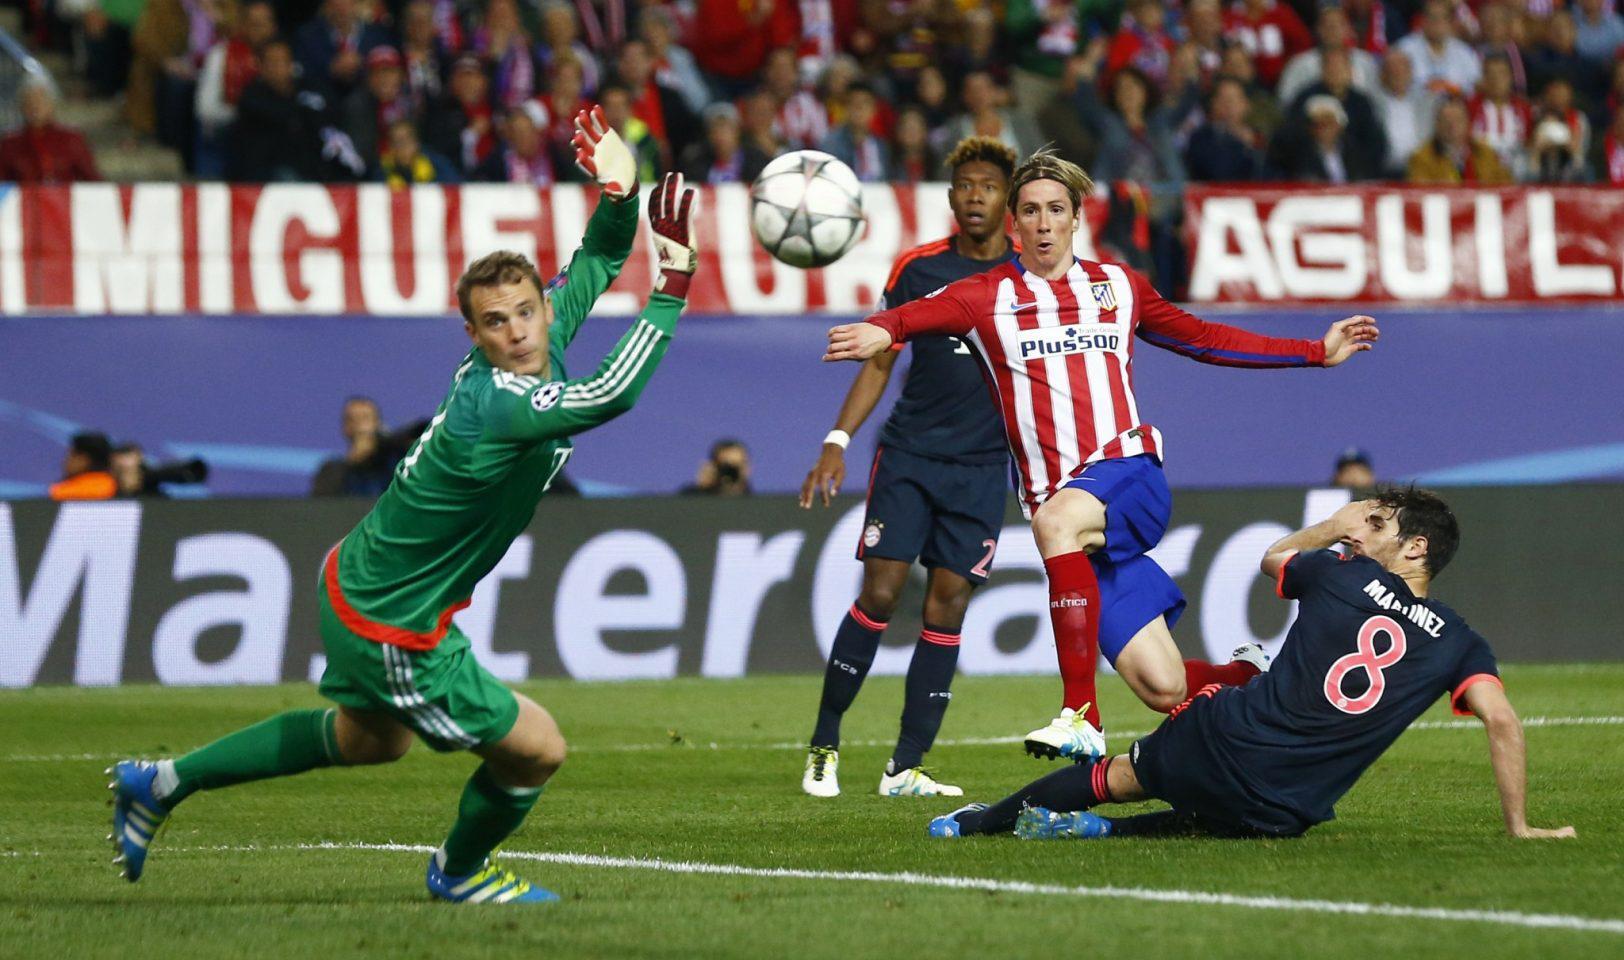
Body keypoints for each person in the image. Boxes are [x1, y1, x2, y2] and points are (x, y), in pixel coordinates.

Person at [107, 108, 700, 905]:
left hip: (359, 581)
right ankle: (457, 875)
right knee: (536, 749)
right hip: (392, 620)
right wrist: (672, 290)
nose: (519, 331)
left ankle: (160, 782)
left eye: (527, 311)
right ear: (473, 332)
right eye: (496, 322)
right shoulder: (494, 402)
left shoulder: (538, 338)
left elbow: (595, 255)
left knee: (367, 740)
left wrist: (621, 194)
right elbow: (607, 393)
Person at [823, 150, 1379, 764]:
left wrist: (1312, 351)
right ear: (1013, 224)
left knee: (1055, 523)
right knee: (1162, 686)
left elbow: (1205, 339)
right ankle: (1256, 678)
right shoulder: (982, 298)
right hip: (1073, 523)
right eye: (1030, 211)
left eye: (1055, 210)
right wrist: (884, 329)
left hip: (1128, 474)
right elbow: (911, 314)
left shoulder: (1118, 286)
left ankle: (1080, 715)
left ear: (1075, 219)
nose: (1042, 222)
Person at [928, 489, 1577, 844]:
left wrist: (1329, 525)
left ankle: (979, 822)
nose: (1360, 532)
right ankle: (1107, 834)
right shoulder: (1460, 641)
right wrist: (1518, 825)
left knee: (1116, 776)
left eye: (1376, 524)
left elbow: (1272, 559)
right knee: (1234, 816)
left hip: (1217, 743)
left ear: (1415, 546)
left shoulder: (1337, 573)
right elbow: (1501, 721)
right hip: (1284, 807)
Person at [798, 137, 1021, 800]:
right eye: (964, 186)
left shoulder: (1032, 278)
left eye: (987, 185)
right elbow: (880, 358)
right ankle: (824, 745)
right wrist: (837, 439)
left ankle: (907, 766)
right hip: (912, 457)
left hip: (984, 467)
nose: (975, 195)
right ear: (951, 197)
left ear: (1007, 198)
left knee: (947, 606)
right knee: (882, 594)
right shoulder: (921, 269)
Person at [0, 82, 101, 183]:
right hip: (26, 197)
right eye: (30, 103)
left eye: (41, 102)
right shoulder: (9, 144)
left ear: (52, 105)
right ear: (22, 107)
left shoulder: (71, 139)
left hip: (63, 197)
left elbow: (93, 180)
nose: (35, 107)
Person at [310, 396, 402, 497]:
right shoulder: (331, 470)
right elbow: (320, 506)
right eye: (352, 419)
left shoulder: (394, 466)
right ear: (345, 427)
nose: (359, 425)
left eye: (365, 418)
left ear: (377, 424)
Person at [50, 433, 117, 501]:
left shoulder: (63, 493)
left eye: (71, 455)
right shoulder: (116, 487)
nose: (65, 461)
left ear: (84, 460)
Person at [681, 439, 753, 496]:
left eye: (737, 466)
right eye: (726, 467)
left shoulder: (758, 505)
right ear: (714, 468)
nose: (732, 472)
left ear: (748, 468)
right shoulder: (693, 497)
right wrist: (700, 490)